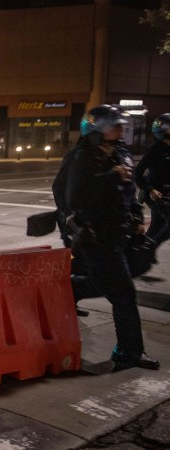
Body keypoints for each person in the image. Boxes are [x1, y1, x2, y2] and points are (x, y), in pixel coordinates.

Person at [66, 104, 159, 371]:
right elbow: (76, 197)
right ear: (98, 129)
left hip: (122, 234)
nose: (121, 130)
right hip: (98, 238)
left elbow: (128, 191)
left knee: (113, 283)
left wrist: (138, 218)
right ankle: (128, 352)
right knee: (125, 295)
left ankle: (73, 287)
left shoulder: (121, 153)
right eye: (115, 126)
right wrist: (110, 176)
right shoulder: (82, 158)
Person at [135, 113, 170, 248]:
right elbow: (137, 174)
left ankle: (145, 248)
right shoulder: (154, 150)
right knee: (158, 226)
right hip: (157, 195)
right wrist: (150, 189)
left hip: (167, 194)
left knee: (157, 226)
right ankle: (147, 248)